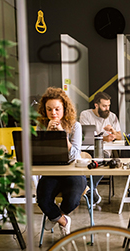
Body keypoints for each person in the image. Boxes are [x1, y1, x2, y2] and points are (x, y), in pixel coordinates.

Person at [36, 87, 87, 236]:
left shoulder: (75, 126)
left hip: (73, 171)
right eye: (49, 109)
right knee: (42, 199)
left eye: (57, 109)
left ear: (64, 109)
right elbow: (40, 153)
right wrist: (46, 135)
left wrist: (62, 136)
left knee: (72, 201)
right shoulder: (41, 126)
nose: (53, 113)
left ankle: (55, 216)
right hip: (52, 171)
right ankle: (63, 221)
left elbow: (75, 155)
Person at [80, 92, 122, 205]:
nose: (107, 109)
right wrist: (104, 138)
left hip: (104, 152)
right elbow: (85, 138)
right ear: (96, 105)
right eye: (104, 106)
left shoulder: (112, 116)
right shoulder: (85, 115)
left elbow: (120, 136)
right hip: (87, 149)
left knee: (103, 160)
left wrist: (113, 132)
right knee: (78, 160)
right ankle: (90, 189)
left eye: (108, 106)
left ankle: (87, 188)